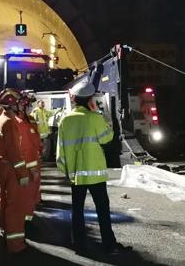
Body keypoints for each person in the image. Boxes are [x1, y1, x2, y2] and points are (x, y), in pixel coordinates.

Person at [57, 81, 131, 256]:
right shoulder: (94, 118)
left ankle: (79, 246)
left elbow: (60, 152)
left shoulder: (65, 120)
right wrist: (99, 115)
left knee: (77, 211)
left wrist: (66, 171)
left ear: (74, 99)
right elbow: (107, 139)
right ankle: (109, 245)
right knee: (102, 211)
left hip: (76, 176)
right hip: (96, 175)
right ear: (90, 99)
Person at [0, 88, 29, 255]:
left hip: (2, 165)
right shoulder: (10, 122)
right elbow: (15, 151)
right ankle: (15, 244)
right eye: (19, 103)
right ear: (12, 105)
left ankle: (7, 233)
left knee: (4, 202)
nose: (21, 106)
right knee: (15, 206)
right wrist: (22, 173)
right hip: (12, 167)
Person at [17, 91, 42, 227]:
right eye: (27, 104)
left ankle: (28, 214)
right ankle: (26, 218)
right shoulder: (19, 122)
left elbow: (35, 138)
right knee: (26, 192)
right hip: (27, 162)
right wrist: (32, 167)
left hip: (34, 159)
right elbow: (25, 146)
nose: (29, 107)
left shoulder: (29, 119)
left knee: (32, 190)